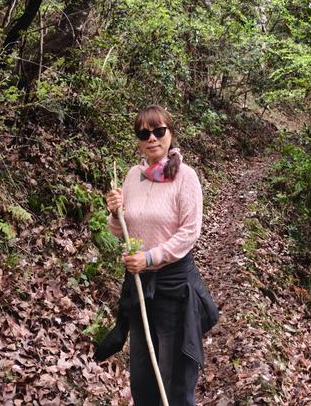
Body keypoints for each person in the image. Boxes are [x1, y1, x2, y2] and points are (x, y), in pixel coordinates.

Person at [97, 104, 217, 406]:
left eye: (158, 131)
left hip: (174, 287)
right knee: (142, 375)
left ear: (170, 133)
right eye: (143, 133)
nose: (151, 138)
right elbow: (119, 230)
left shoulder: (186, 177)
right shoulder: (132, 176)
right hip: (139, 286)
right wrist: (114, 212)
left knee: (175, 378)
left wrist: (149, 258)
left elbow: (189, 232)